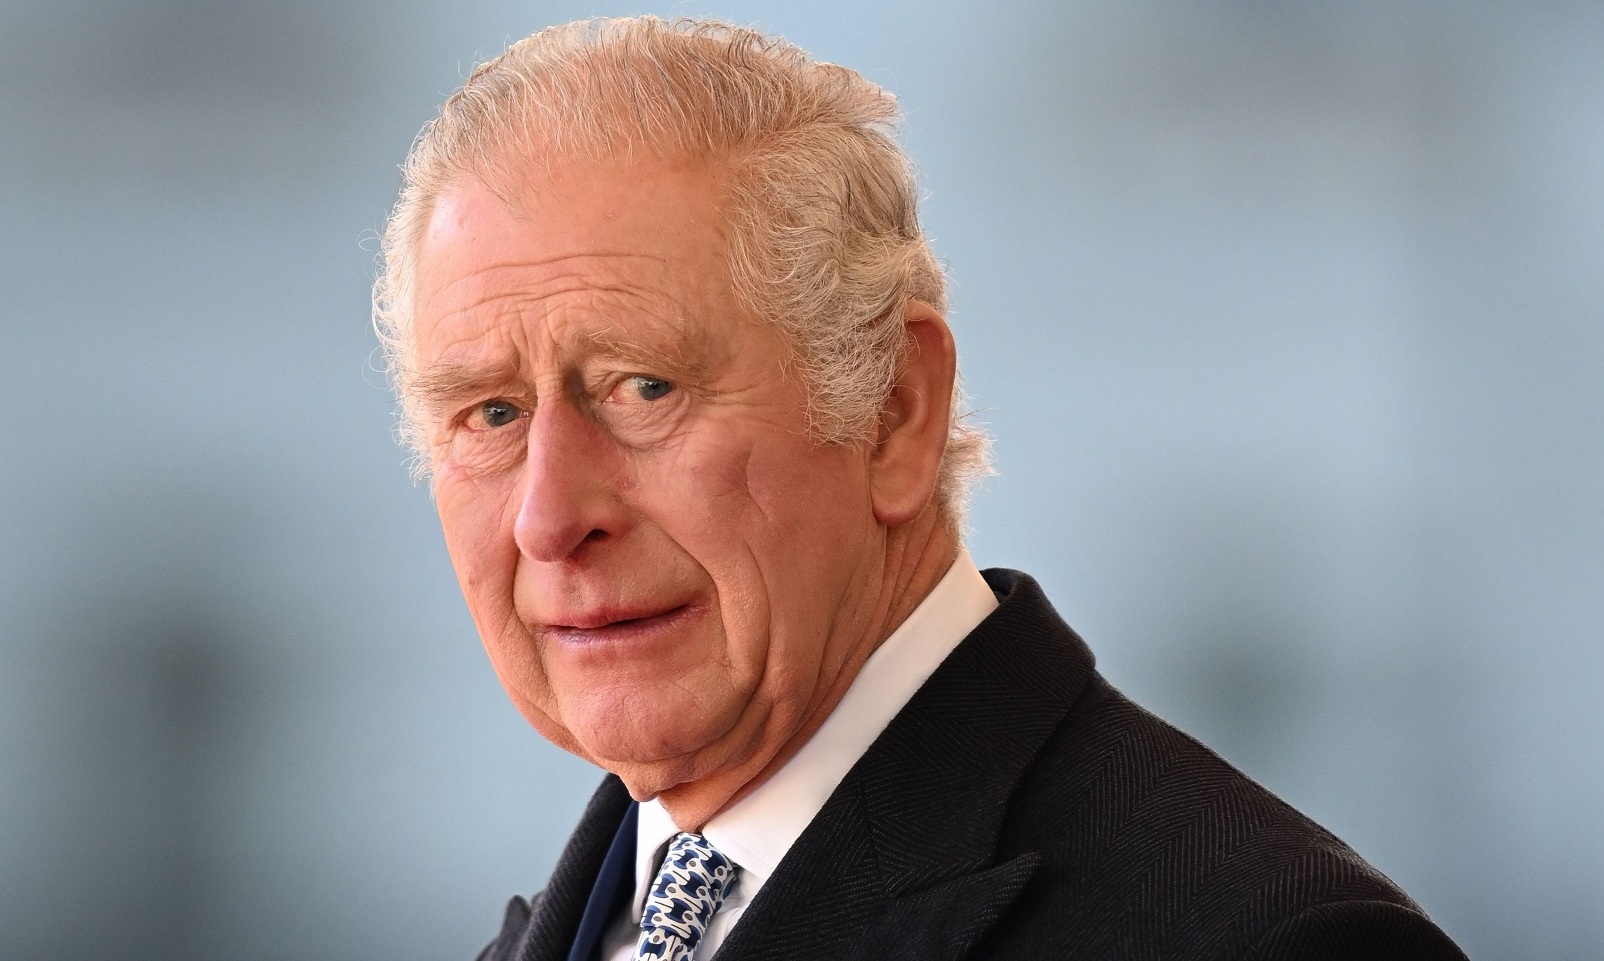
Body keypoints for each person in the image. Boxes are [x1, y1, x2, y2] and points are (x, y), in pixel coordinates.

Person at [374, 16, 1469, 961]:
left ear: (894, 409)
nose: (550, 518)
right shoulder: (570, 928)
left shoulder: (1269, 938)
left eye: (643, 387)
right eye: (492, 415)